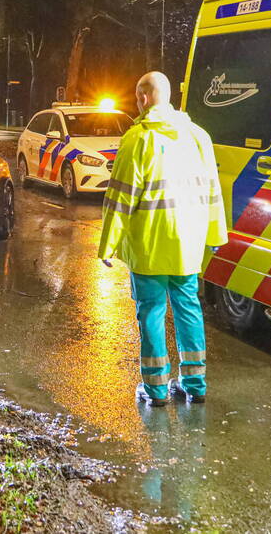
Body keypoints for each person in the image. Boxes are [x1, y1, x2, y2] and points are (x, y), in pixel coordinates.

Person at [98, 72, 227, 407]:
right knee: (188, 308)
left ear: (142, 97)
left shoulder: (137, 139)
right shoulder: (198, 136)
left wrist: (108, 243)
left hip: (149, 246)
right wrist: (215, 234)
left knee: (152, 312)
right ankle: (195, 384)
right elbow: (213, 191)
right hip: (187, 245)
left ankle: (156, 390)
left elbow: (120, 198)